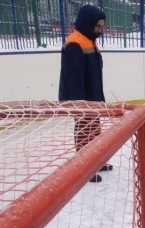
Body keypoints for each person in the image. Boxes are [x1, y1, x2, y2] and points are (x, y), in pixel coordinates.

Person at [59, 4, 111, 183]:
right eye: (97, 26)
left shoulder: (89, 40)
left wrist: (98, 99)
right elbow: (74, 77)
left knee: (95, 129)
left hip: (92, 97)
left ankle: (96, 161)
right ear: (88, 23)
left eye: (101, 27)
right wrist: (80, 104)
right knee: (84, 131)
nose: (100, 30)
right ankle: (84, 168)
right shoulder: (75, 42)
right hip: (81, 98)